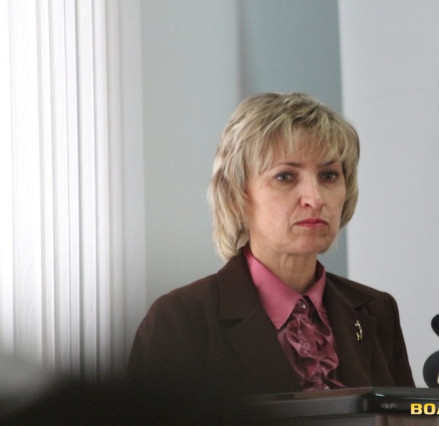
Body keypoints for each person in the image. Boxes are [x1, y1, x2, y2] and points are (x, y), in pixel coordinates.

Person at [128, 92, 414, 395]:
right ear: (237, 195)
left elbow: (408, 415)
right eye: (286, 177)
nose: (315, 198)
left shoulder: (377, 310)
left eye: (329, 175)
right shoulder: (180, 321)